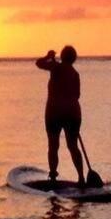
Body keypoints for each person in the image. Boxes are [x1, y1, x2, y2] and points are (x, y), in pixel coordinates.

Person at [35, 46, 85, 186]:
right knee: (73, 145)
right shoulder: (75, 73)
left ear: (62, 57)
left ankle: (53, 176)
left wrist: (47, 56)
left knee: (53, 144)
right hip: (73, 113)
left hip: (55, 113)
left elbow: (39, 63)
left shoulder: (55, 68)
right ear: (74, 59)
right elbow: (77, 95)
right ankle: (81, 177)